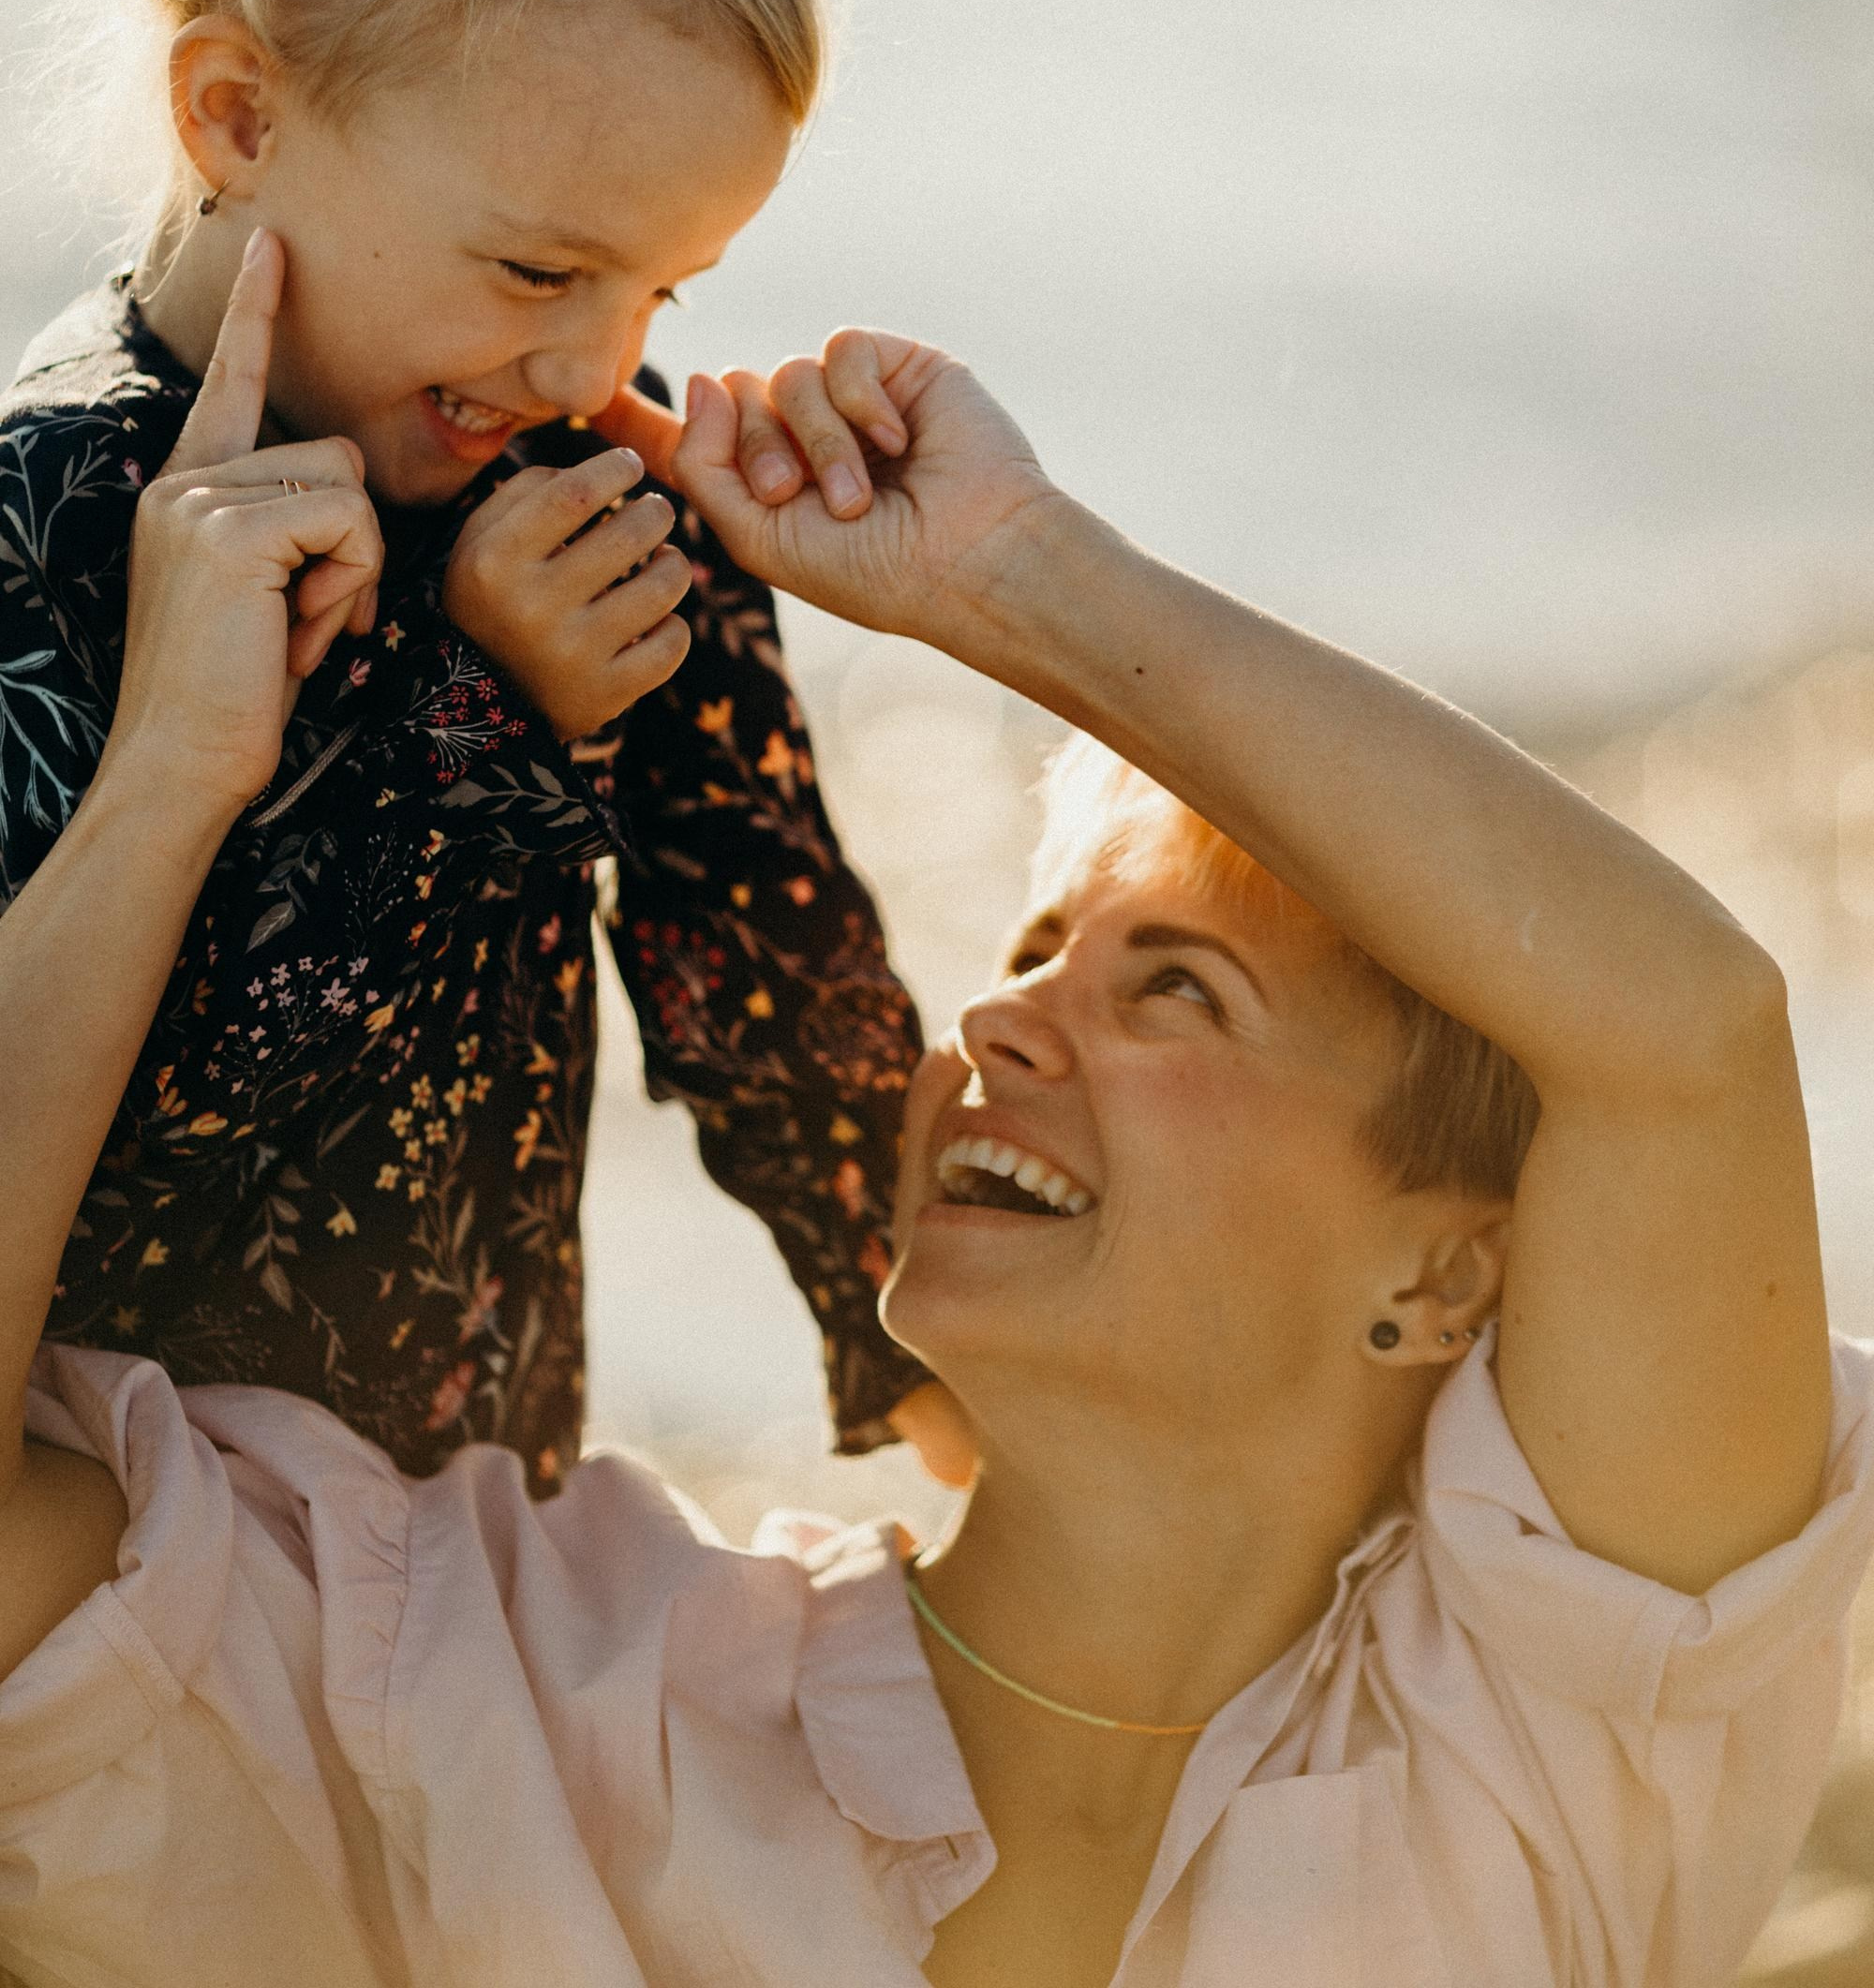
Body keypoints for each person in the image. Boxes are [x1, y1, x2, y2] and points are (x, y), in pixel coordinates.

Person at [1, 271, 1868, 1988]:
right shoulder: (530, 1689)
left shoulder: (1544, 1736)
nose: (993, 1020)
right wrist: (165, 791)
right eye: (1035, 954)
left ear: (1440, 1266)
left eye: (1175, 992)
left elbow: (1678, 1034)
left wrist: (1009, 569)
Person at [0, 0, 934, 1489]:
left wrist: (934, 1369)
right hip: (114, 1571)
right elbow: (118, 1127)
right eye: (536, 268)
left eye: (663, 283)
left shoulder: (590, 466)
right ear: (240, 114)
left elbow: (769, 961)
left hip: (471, 1553)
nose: (597, 359)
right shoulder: (62, 516)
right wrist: (479, 725)